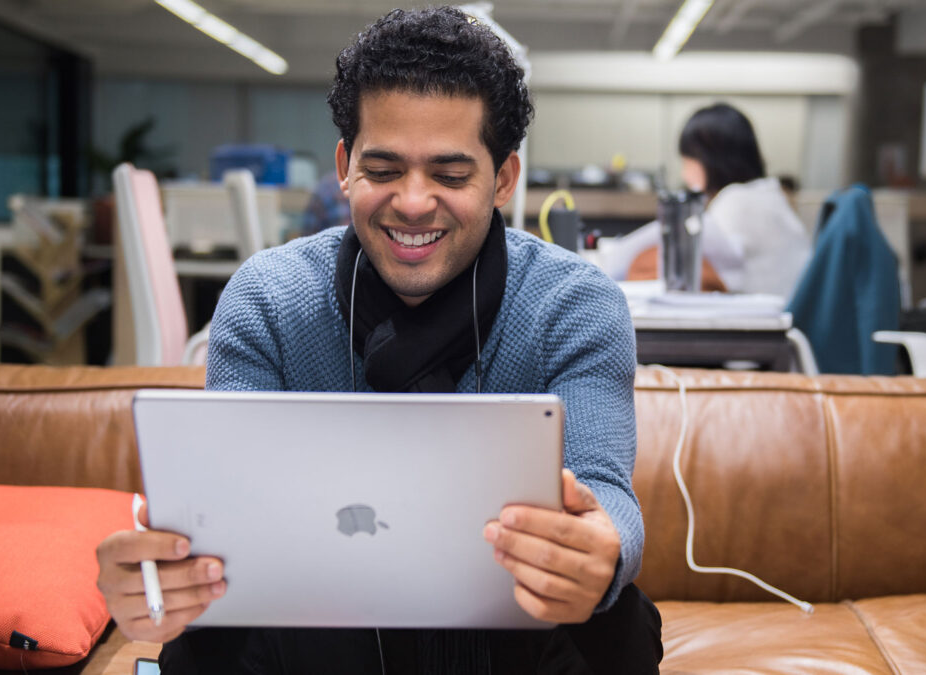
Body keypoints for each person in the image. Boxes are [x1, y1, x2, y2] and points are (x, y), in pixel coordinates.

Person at [94, 7, 661, 673]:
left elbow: (604, 486)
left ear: (504, 179)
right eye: (384, 168)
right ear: (345, 165)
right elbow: (224, 522)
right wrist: (158, 582)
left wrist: (602, 544)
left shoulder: (574, 303)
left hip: (514, 635)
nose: (413, 202)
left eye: (450, 174)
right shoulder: (270, 299)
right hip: (316, 638)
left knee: (618, 622)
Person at [602, 103, 811, 298]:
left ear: (710, 160)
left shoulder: (736, 202)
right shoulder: (768, 196)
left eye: (687, 162)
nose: (685, 175)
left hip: (768, 327)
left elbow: (712, 280)